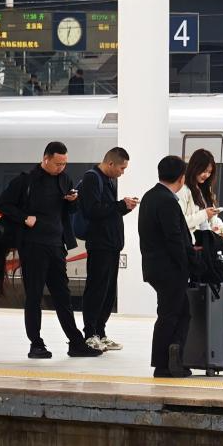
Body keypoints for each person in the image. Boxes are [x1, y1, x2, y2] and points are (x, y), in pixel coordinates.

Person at [0, 141, 102, 359]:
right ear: (45, 158)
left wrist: (72, 201)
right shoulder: (25, 181)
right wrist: (25, 218)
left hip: (56, 245)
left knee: (63, 295)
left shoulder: (65, 179)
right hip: (33, 246)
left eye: (64, 163)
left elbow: (68, 211)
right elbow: (3, 205)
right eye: (57, 163)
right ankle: (36, 343)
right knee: (34, 295)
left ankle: (76, 343)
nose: (61, 167)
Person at [139, 155, 196, 378]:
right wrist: (187, 264)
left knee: (176, 312)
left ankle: (170, 358)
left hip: (155, 266)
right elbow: (174, 238)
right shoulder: (167, 201)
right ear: (181, 179)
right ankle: (165, 362)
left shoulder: (150, 197)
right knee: (172, 314)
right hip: (170, 268)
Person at [79, 147, 139, 352]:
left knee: (108, 292)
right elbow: (92, 210)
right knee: (96, 289)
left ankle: (100, 332)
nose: (123, 172)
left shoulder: (108, 181)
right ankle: (90, 334)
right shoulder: (92, 178)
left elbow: (108, 211)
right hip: (99, 244)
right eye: (121, 168)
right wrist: (120, 205)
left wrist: (123, 207)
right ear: (111, 163)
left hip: (112, 244)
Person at [178, 149, 223, 252]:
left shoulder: (204, 190)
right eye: (204, 171)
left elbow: (213, 220)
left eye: (209, 172)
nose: (206, 175)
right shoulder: (183, 190)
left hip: (206, 245)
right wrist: (205, 214)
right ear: (195, 167)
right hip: (193, 247)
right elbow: (180, 222)